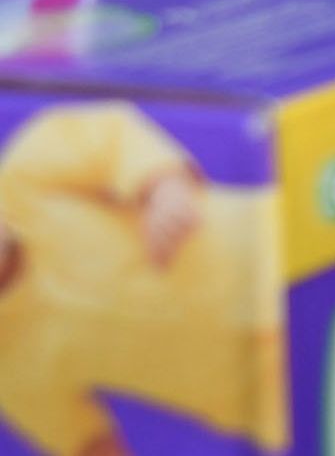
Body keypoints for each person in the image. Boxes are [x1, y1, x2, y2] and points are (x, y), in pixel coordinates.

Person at [0, 104, 282, 456]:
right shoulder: (8, 369)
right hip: (256, 392)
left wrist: (162, 185)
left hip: (262, 251)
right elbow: (86, 443)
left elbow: (115, 138)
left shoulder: (28, 170)